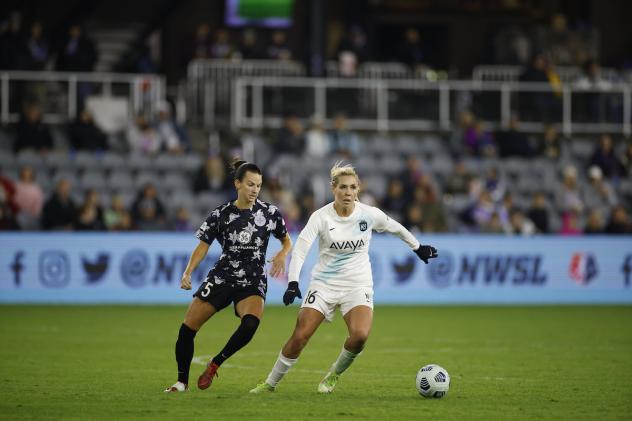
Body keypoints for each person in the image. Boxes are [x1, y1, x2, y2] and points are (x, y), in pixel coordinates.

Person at [249, 162, 438, 394]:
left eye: (352, 187)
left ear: (357, 189)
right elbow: (300, 249)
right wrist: (293, 282)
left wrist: (418, 248)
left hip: (357, 283)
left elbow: (395, 227)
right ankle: (270, 383)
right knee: (300, 335)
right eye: (343, 188)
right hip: (324, 284)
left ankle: (333, 375)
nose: (348, 192)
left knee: (360, 336)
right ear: (333, 189)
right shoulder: (321, 217)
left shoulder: (368, 214)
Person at [164, 160, 292, 393]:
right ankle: (181, 382)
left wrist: (282, 254)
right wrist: (187, 272)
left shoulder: (270, 213)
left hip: (252, 279)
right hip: (223, 276)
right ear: (237, 184)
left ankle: (215, 364)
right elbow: (203, 246)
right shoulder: (221, 214)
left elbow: (286, 240)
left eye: (259, 186)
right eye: (250, 184)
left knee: (251, 323)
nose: (255, 190)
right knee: (187, 329)